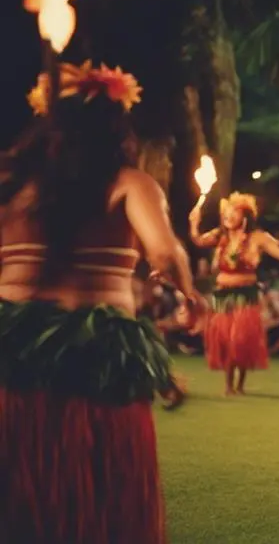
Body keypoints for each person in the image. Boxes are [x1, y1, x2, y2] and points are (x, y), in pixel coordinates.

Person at [0, 60, 205, 542]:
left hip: (13, 353)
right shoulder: (130, 182)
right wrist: (189, 293)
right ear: (117, 126)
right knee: (101, 496)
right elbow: (164, 252)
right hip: (98, 354)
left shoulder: (9, 183)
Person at [189, 192, 279, 395]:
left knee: (241, 339)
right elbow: (198, 241)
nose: (228, 216)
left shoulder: (258, 237)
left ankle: (240, 385)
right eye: (226, 212)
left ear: (245, 216)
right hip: (223, 296)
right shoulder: (220, 236)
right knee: (226, 339)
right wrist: (194, 222)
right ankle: (229, 385)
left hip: (246, 296)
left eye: (234, 212)